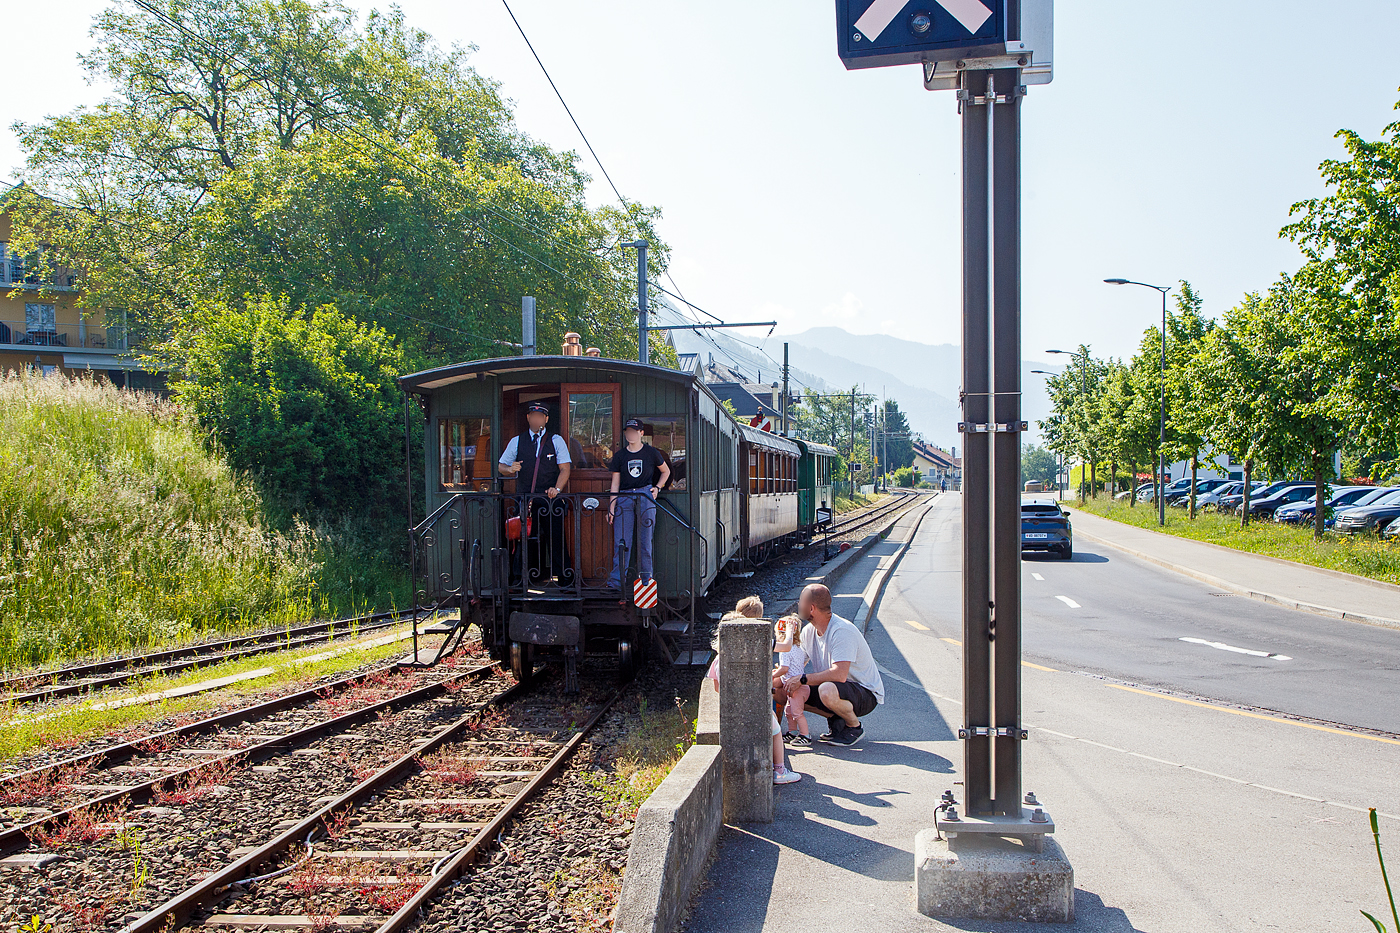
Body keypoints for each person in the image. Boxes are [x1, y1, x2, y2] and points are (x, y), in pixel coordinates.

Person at [708, 597, 800, 785]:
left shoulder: (718, 659)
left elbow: (717, 687)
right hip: (754, 708)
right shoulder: (761, 644)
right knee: (775, 731)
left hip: (730, 710)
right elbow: (787, 646)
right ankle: (779, 771)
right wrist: (789, 630)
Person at [797, 583, 884, 746]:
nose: (798, 605)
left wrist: (802, 679)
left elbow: (839, 674)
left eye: (801, 602)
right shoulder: (809, 631)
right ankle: (837, 719)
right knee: (788, 690)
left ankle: (854, 727)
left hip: (864, 692)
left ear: (812, 608)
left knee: (826, 689)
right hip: (837, 688)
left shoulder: (841, 631)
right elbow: (796, 664)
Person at [498, 402, 573, 585]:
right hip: (525, 499)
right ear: (528, 418)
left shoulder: (556, 440)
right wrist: (510, 469)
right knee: (525, 539)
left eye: (541, 416)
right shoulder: (517, 440)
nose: (537, 419)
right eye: (533, 416)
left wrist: (557, 489)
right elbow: (501, 466)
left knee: (556, 540)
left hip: (550, 498)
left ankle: (564, 581)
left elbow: (565, 469)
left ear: (546, 419)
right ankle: (522, 580)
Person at [605, 418, 671, 590]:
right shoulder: (620, 456)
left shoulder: (651, 452)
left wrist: (657, 488)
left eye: (634, 431)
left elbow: (666, 471)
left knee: (645, 540)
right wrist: (611, 508)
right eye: (628, 431)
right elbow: (615, 484)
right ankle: (617, 581)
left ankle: (645, 581)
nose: (631, 434)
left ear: (641, 433)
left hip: (645, 494)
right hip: (625, 496)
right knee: (622, 541)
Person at [772, 614, 811, 746]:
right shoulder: (799, 647)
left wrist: (772, 675)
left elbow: (784, 668)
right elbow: (796, 665)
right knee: (789, 711)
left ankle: (805, 735)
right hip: (798, 686)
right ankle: (792, 732)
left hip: (796, 688)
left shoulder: (785, 650)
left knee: (797, 712)